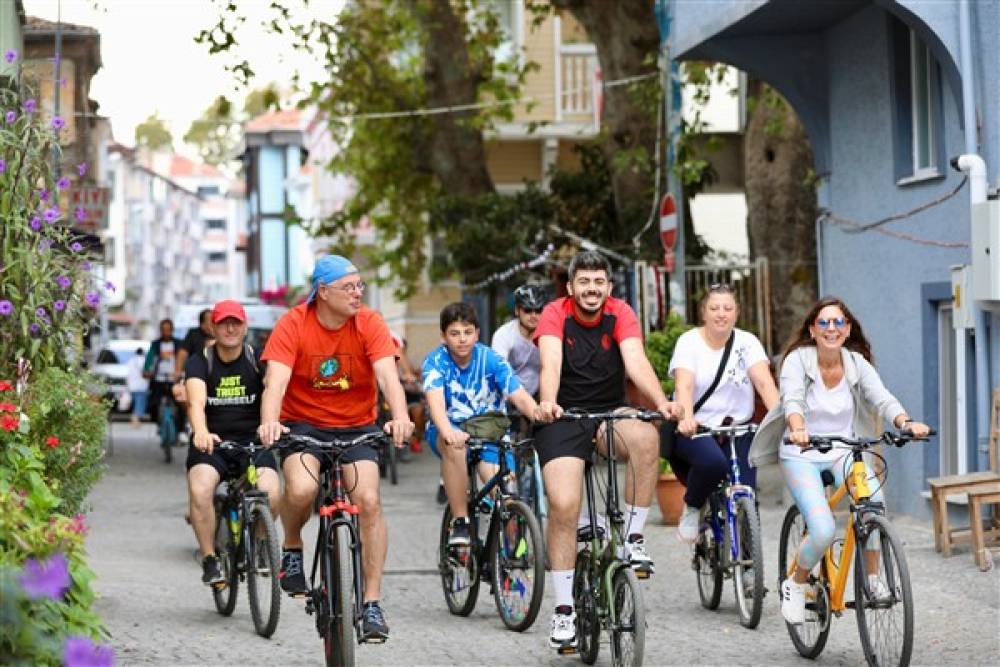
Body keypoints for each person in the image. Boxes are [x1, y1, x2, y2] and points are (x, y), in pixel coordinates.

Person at [257, 254, 414, 643]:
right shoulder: (293, 323)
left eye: (360, 285)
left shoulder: (370, 323)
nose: (358, 293)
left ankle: (372, 603)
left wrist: (400, 417)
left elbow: (388, 378)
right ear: (322, 292)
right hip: (304, 426)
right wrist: (270, 421)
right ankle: (292, 546)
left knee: (369, 500)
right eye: (349, 287)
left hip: (357, 426)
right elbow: (274, 383)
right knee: (302, 489)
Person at [533, 250, 683, 651]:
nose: (592, 289)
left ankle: (633, 538)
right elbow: (551, 363)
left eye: (599, 282)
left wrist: (661, 401)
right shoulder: (554, 314)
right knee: (564, 505)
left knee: (647, 437)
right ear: (570, 287)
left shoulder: (620, 312)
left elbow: (635, 361)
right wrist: (548, 402)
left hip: (607, 413)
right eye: (584, 282)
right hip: (562, 416)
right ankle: (564, 611)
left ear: (609, 287)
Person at [748, 296, 930, 625]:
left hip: (843, 452)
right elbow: (792, 398)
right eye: (824, 323)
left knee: (873, 503)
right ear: (812, 330)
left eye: (838, 323)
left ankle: (873, 580)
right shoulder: (797, 361)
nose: (831, 329)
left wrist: (905, 422)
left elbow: (882, 397)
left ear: (847, 330)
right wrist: (799, 427)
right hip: (801, 453)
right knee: (822, 529)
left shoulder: (856, 363)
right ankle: (796, 582)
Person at [423, 302, 542, 547]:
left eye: (468, 332)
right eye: (454, 333)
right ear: (444, 337)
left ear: (477, 333)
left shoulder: (491, 359)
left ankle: (510, 553)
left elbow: (517, 393)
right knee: (455, 449)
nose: (462, 339)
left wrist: (537, 413)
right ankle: (460, 522)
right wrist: (449, 433)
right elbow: (436, 406)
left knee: (502, 492)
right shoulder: (435, 362)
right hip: (450, 429)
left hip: (490, 432)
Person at [668, 283, 779, 543]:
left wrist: (781, 421)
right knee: (712, 464)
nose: (721, 314)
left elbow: (764, 383)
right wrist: (686, 418)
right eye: (714, 308)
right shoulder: (689, 342)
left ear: (736, 313)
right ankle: (693, 506)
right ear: (703, 313)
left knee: (747, 495)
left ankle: (752, 570)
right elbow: (683, 385)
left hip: (739, 429)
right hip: (699, 428)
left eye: (727, 308)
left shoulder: (747, 342)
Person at [184, 300, 280, 586]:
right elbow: (195, 402)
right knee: (200, 490)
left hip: (252, 443)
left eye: (235, 322)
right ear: (212, 327)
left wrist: (270, 424)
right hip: (212, 444)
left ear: (245, 326)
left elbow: (273, 392)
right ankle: (210, 558)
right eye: (223, 322)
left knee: (272, 493)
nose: (230, 328)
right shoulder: (200, 361)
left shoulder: (257, 359)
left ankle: (261, 543)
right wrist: (200, 431)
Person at [491, 284, 547, 398]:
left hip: (541, 398)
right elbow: (498, 372)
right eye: (527, 310)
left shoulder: (549, 335)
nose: (533, 315)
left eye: (538, 310)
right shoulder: (504, 334)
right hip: (508, 397)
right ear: (517, 310)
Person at [144, 319, 183, 457]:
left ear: (172, 330)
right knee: (153, 404)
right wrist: (147, 371)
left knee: (181, 405)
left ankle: (179, 431)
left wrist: (182, 372)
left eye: (168, 329)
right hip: (159, 380)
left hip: (175, 380)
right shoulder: (155, 345)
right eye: (163, 329)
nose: (166, 332)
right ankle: (159, 424)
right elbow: (149, 361)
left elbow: (184, 359)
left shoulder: (179, 344)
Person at [126, 347, 149, 427]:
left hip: (132, 385)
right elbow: (146, 372)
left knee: (135, 402)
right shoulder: (144, 360)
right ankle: (135, 419)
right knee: (140, 403)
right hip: (141, 385)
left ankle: (135, 419)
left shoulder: (131, 361)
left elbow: (128, 374)